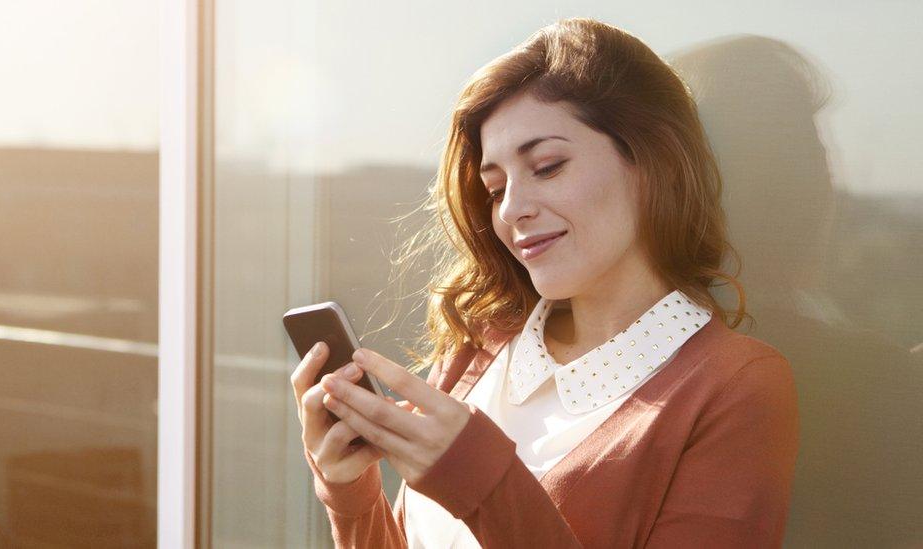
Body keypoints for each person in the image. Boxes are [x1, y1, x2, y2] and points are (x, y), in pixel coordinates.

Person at [290, 17, 799, 548]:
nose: (511, 209)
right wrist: (351, 494)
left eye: (548, 166)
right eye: (494, 187)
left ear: (650, 160)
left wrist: (478, 479)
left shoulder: (735, 386)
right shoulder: (482, 348)